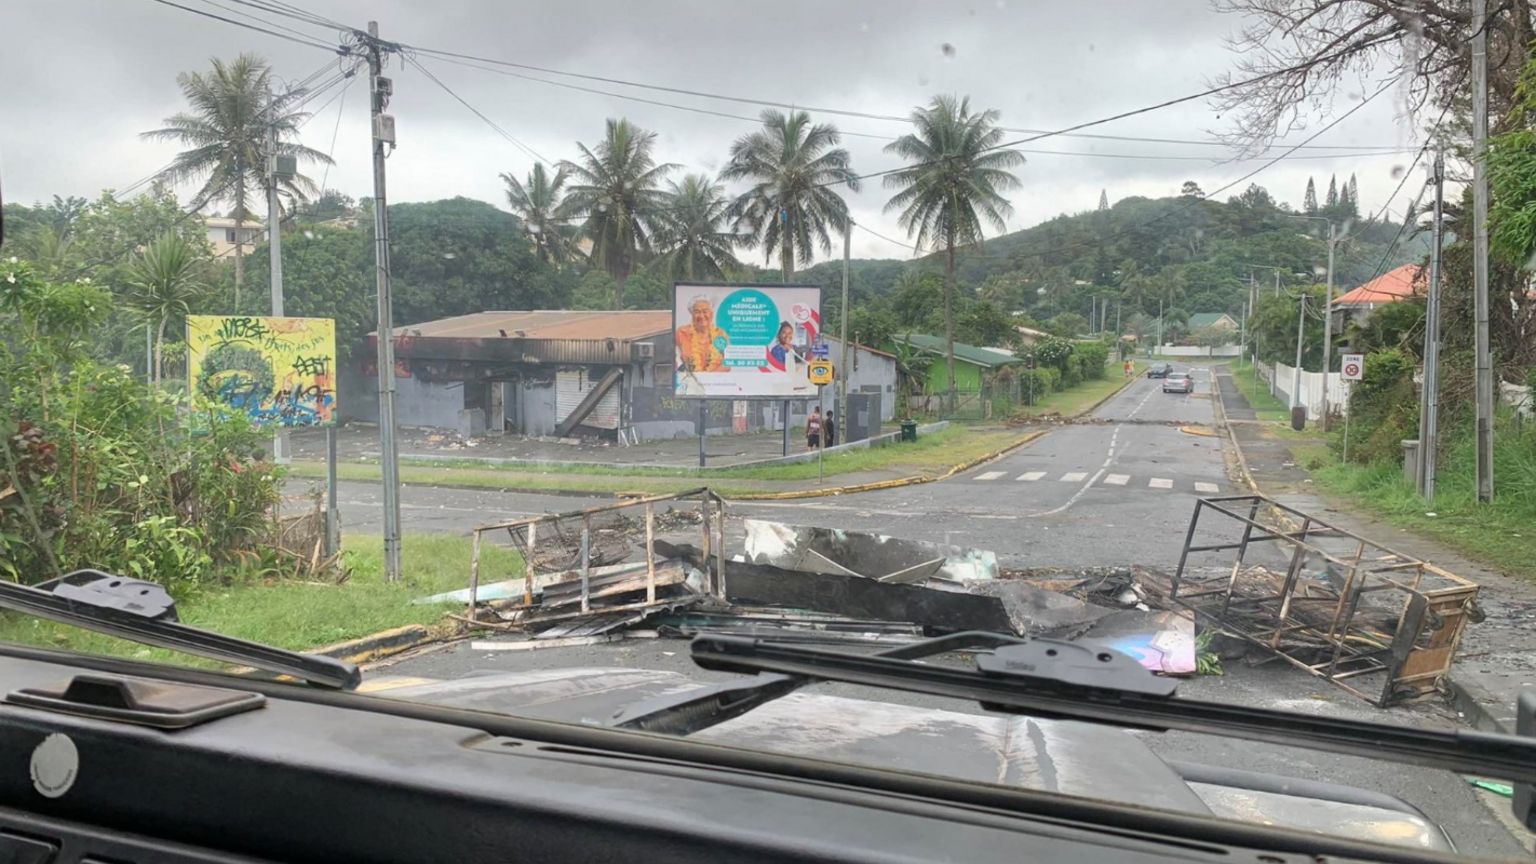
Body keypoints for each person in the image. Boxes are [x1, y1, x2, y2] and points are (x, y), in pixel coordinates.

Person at [676, 295, 727, 373]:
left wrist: (707, 378)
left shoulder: (720, 334)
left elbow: (727, 364)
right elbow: (674, 359)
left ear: (711, 314)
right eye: (697, 312)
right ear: (692, 314)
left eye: (705, 311)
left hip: (715, 381)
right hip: (691, 381)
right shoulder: (682, 332)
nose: (701, 316)